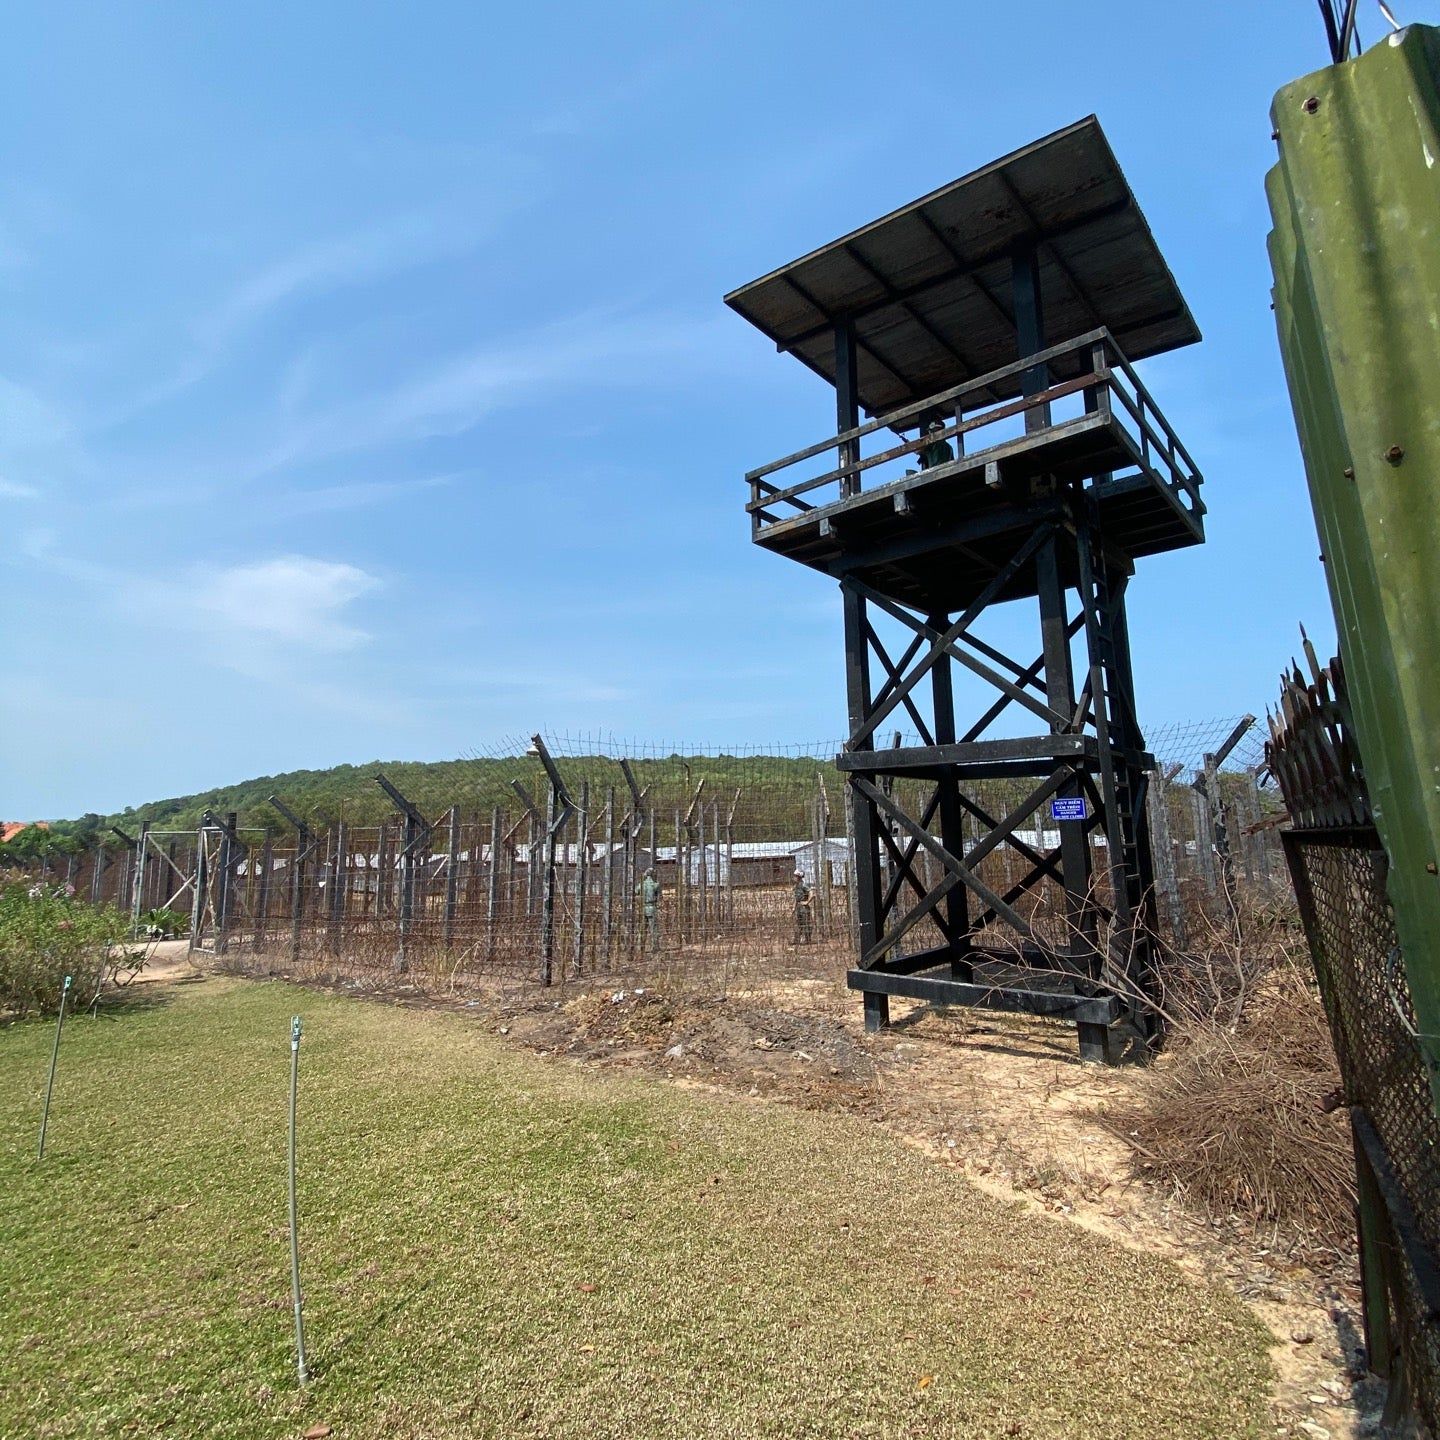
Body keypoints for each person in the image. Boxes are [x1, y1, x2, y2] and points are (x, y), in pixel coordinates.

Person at [638, 867, 661, 950]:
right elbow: (659, 896)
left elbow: (636, 891)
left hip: (643, 907)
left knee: (642, 928)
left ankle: (640, 947)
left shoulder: (642, 884)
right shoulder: (655, 885)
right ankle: (655, 946)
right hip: (652, 907)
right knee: (653, 928)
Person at [792, 869, 813, 945]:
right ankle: (797, 939)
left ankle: (807, 940)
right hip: (798, 906)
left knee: (806, 923)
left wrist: (807, 902)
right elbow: (796, 897)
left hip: (803, 907)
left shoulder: (803, 885)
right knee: (798, 923)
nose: (794, 877)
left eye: (795, 876)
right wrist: (794, 907)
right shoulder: (796, 886)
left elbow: (811, 893)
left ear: (799, 877)